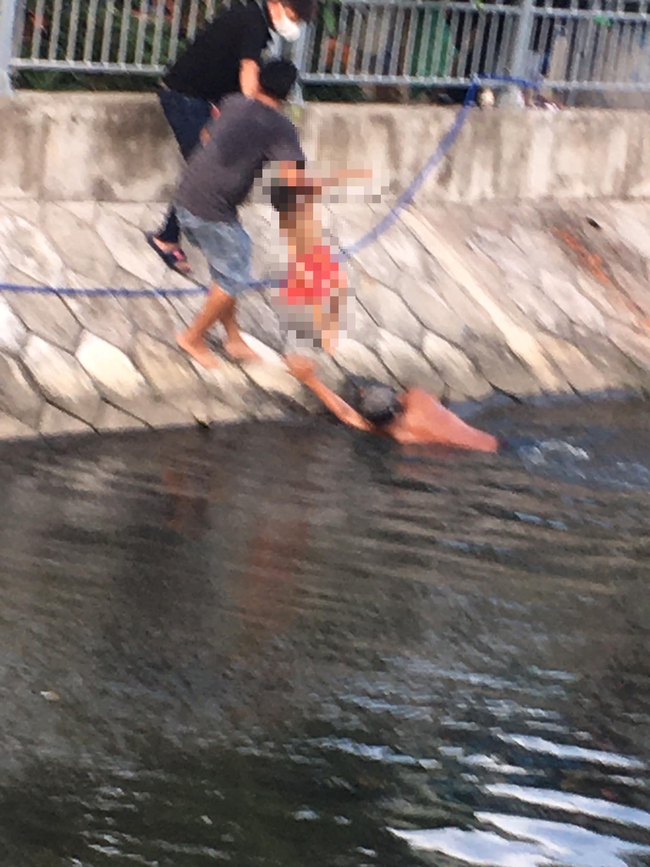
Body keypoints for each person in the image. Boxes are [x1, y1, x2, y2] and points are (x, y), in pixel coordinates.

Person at [146, 0, 316, 276]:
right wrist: (251, 115)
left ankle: (171, 235)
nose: (293, 25)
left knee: (203, 166)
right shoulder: (253, 21)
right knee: (203, 166)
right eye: (293, 16)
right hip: (184, 97)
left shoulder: (254, 21)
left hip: (201, 99)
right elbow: (248, 73)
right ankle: (167, 238)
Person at [174, 58, 307, 368]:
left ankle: (233, 339)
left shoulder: (233, 103)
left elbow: (206, 137)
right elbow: (291, 175)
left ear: (258, 81)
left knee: (229, 270)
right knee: (233, 276)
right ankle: (192, 337)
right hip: (211, 210)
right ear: (288, 95)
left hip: (187, 197)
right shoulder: (280, 126)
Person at [284, 356, 502, 452]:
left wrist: (309, 379)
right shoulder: (419, 398)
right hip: (497, 443)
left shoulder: (400, 435)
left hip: (480, 453)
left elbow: (346, 414)